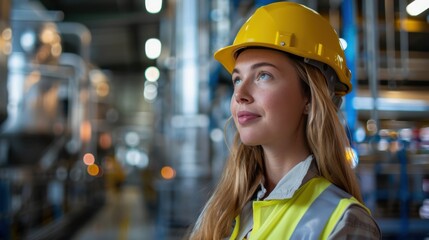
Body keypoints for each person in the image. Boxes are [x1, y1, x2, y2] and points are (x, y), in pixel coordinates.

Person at [190, 2, 381, 239]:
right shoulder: (222, 213)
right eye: (237, 79)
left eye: (263, 75)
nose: (240, 94)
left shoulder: (343, 222)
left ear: (309, 97)